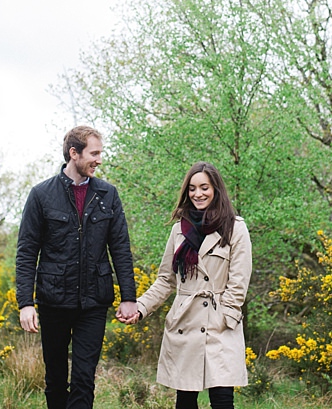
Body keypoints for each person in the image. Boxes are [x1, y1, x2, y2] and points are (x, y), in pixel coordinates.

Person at [16, 126, 138, 409]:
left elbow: (120, 248)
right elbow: (26, 253)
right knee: (56, 379)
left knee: (84, 378)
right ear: (74, 153)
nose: (99, 159)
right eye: (94, 153)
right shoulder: (41, 195)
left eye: (100, 153)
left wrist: (128, 298)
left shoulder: (108, 194)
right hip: (53, 300)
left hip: (94, 302)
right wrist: (26, 303)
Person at [118, 161, 252, 409]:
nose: (197, 194)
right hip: (185, 323)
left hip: (220, 324)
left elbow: (239, 280)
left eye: (204, 187)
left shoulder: (235, 228)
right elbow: (165, 280)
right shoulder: (179, 230)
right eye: (192, 188)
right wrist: (140, 307)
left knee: (223, 401)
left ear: (216, 189)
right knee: (185, 401)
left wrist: (228, 316)